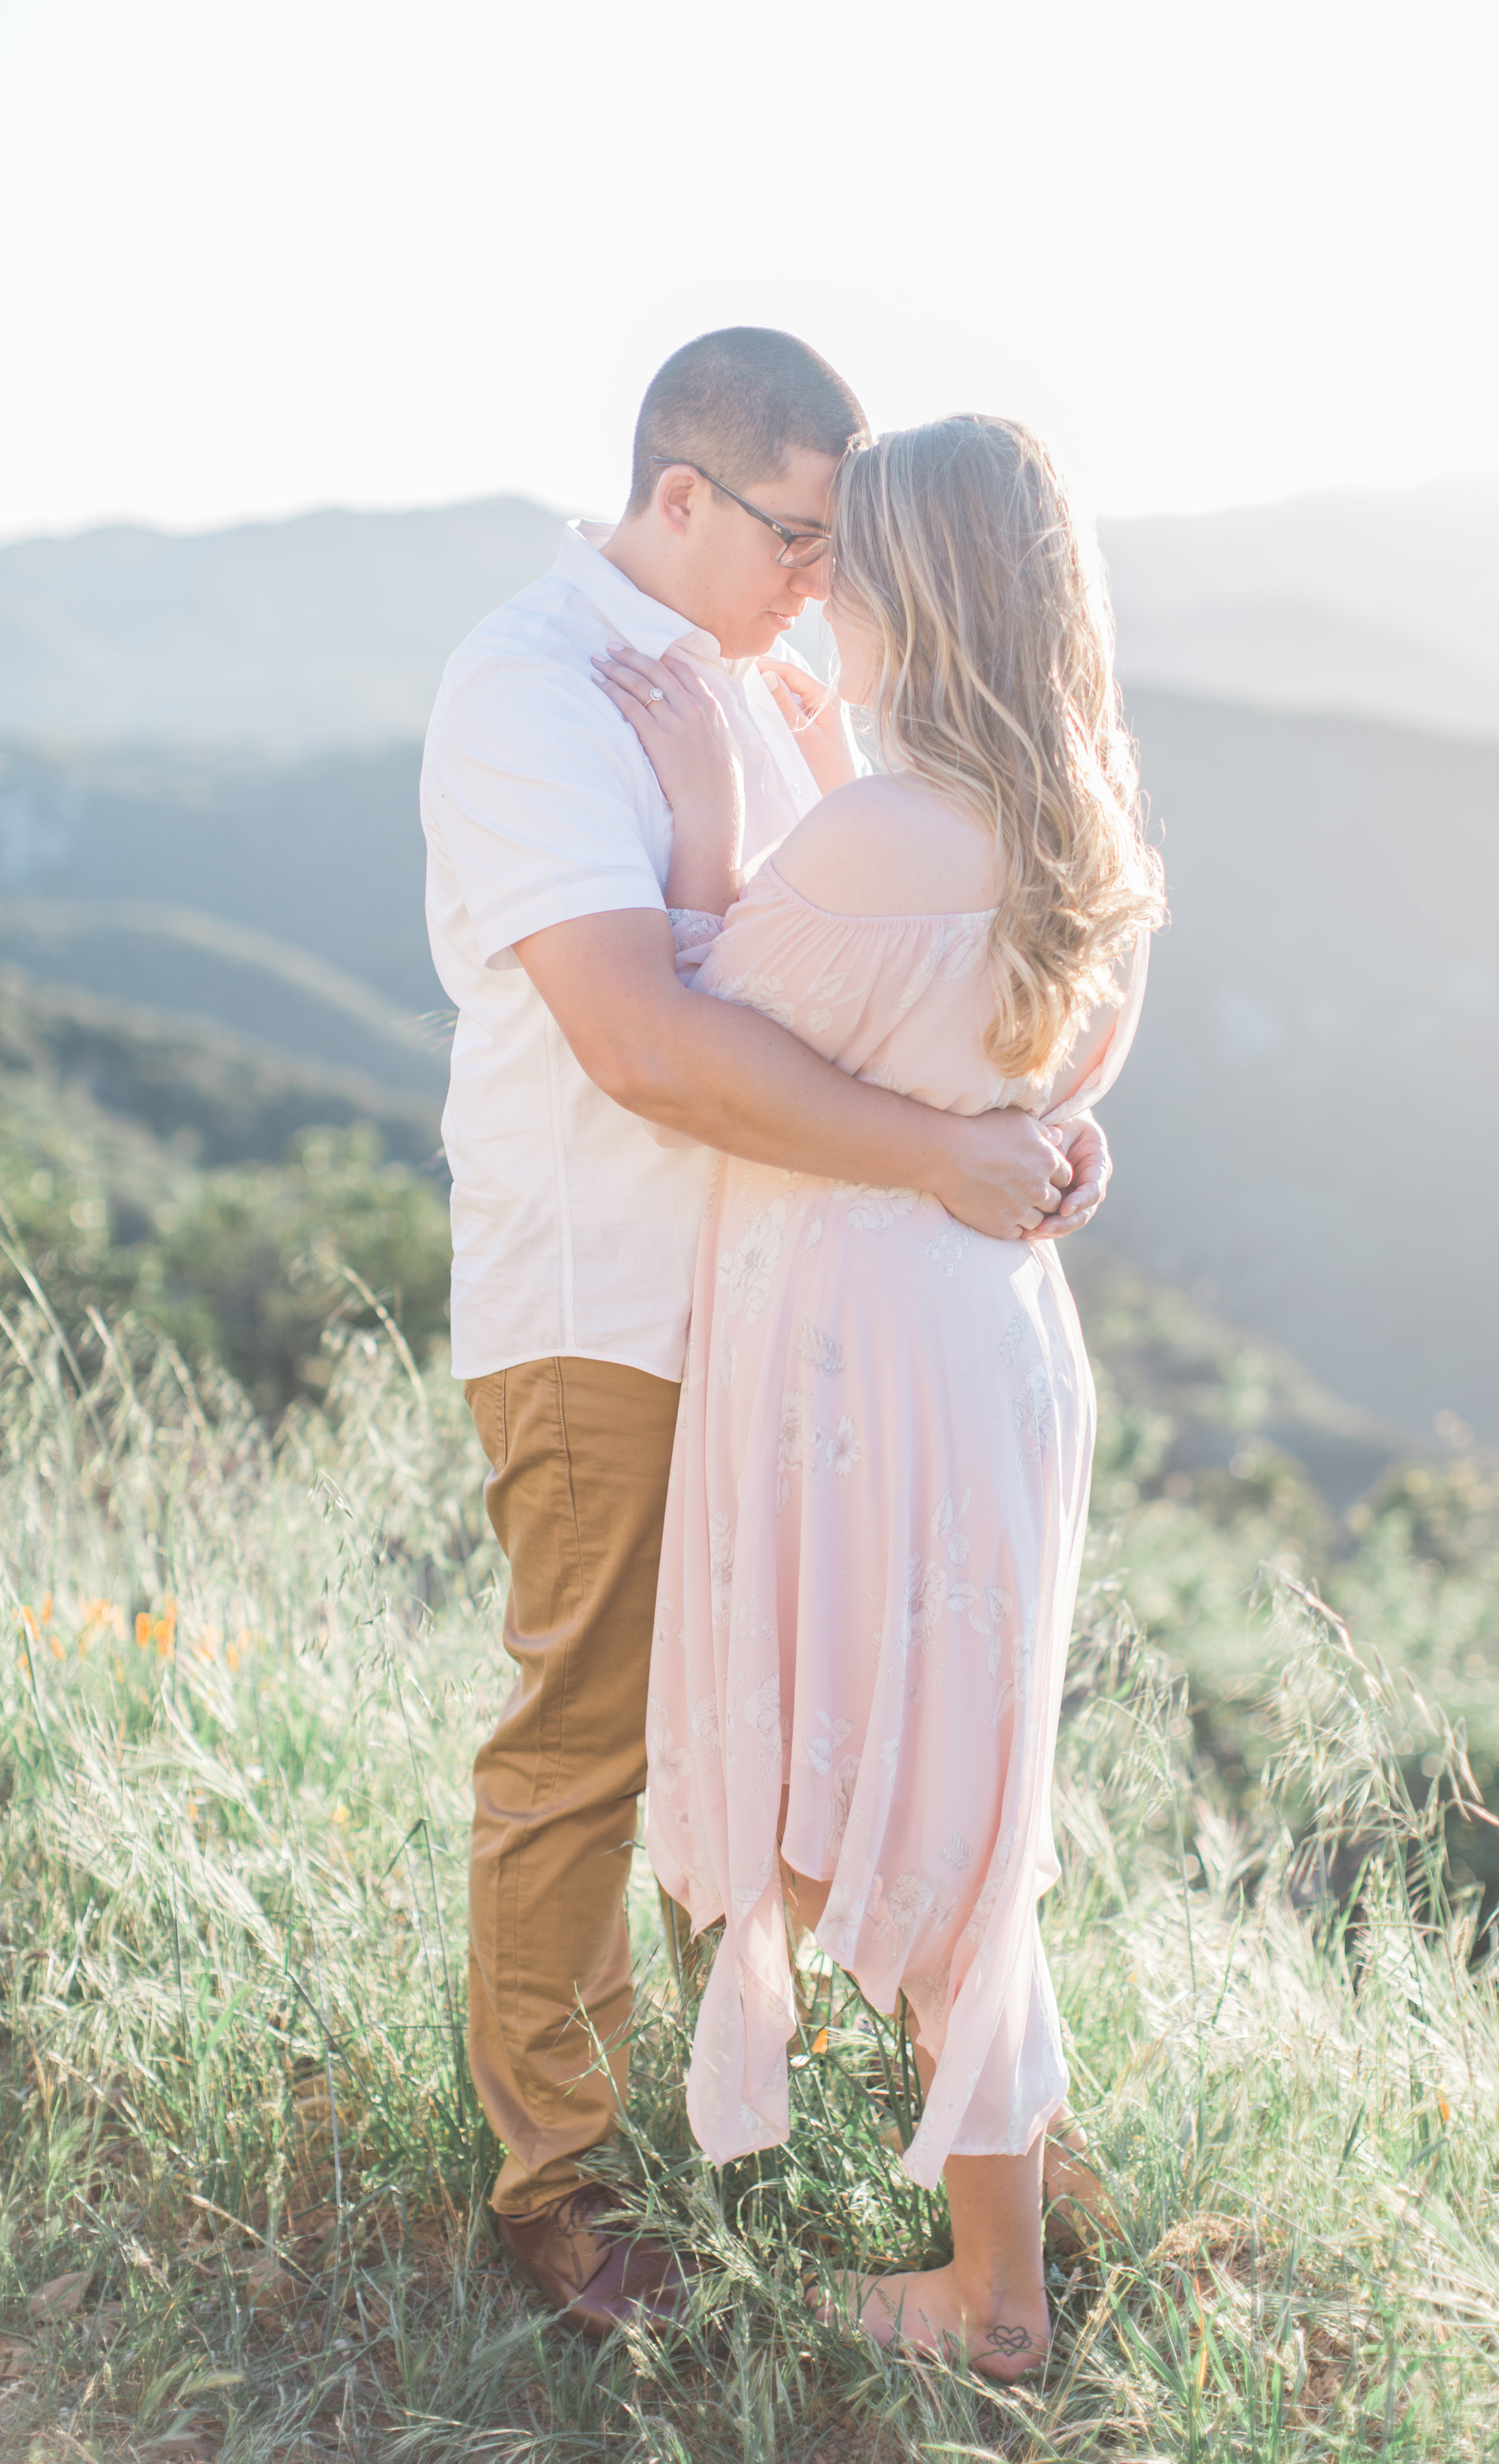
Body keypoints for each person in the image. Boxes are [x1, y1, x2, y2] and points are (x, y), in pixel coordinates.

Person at [419, 332, 1113, 2340]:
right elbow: (649, 1037)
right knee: (587, 1743)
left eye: (843, 543)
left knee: (865, 1727)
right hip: (613, 1307)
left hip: (812, 1328)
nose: (820, 576)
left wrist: (1031, 1135)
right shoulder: (539, 690)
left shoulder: (770, 684)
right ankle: (561, 2173)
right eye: (793, 534)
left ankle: (933, 2132)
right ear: (682, 496)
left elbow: (929, 972)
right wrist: (952, 1151)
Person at [599, 413, 1163, 2379]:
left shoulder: (857, 849)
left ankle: (993, 2298)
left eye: (859, 552)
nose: (820, 576)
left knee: (888, 1824)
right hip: (986, 1334)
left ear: (924, 585)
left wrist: (693, 818)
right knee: (949, 1795)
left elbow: (691, 1022)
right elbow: (1024, 1081)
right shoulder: (1085, 822)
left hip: (853, 1353)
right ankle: (1023, 2164)